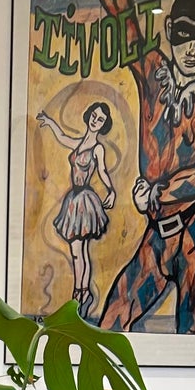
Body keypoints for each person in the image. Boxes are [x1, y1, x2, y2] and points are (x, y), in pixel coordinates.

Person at [96, 0, 195, 336]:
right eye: (186, 34)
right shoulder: (154, 72)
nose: (193, 48)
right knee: (112, 323)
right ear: (171, 30)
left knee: (192, 333)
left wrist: (156, 194)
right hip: (158, 233)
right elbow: (125, 21)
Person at [37, 100, 117, 319]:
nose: (95, 120)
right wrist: (50, 122)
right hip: (73, 200)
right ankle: (80, 294)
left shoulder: (97, 148)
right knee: (77, 251)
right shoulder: (79, 143)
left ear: (104, 124)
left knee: (81, 250)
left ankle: (81, 294)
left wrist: (111, 190)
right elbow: (62, 137)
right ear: (89, 115)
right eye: (94, 115)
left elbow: (102, 171)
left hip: (84, 201)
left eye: (100, 119)